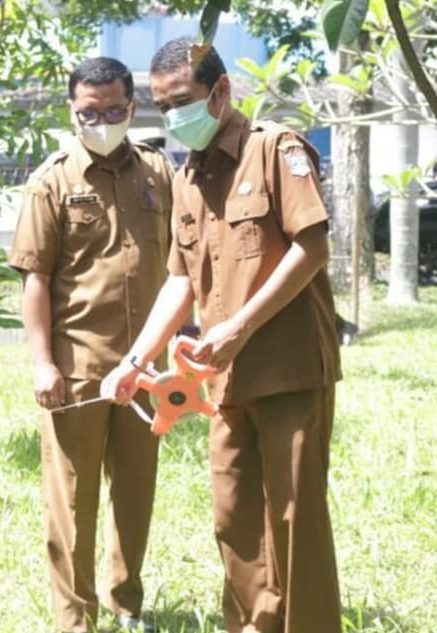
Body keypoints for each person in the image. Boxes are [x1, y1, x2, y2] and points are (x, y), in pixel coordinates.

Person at [104, 37, 342, 633]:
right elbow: (179, 282)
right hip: (224, 381)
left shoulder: (274, 150)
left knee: (294, 520)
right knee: (233, 520)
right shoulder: (188, 178)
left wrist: (238, 325)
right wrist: (137, 359)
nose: (174, 114)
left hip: (289, 369)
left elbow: (311, 247)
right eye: (163, 104)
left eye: (182, 99)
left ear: (221, 91)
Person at [9, 57, 173, 633]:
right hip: (77, 367)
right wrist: (41, 363)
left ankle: (125, 604)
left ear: (131, 108)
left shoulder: (159, 173)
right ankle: (73, 618)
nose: (100, 120)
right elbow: (34, 279)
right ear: (71, 110)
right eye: (88, 112)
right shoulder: (52, 181)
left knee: (134, 493)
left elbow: (183, 265)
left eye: (112, 110)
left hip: (147, 368)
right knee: (71, 502)